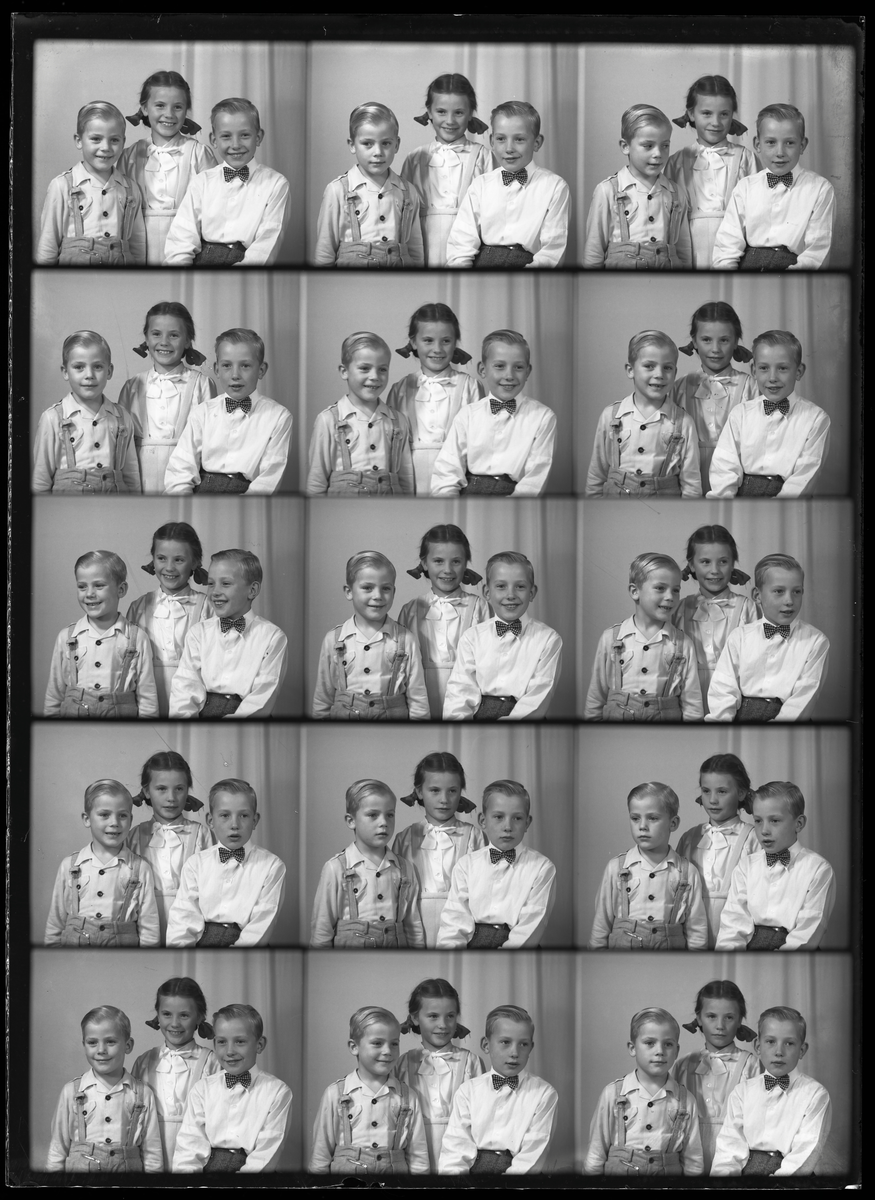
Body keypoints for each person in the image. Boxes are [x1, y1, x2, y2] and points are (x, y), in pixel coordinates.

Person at [163, 328, 292, 495]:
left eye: (245, 366)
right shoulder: (202, 412)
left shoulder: (278, 417)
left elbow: (269, 478)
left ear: (261, 370)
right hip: (200, 491)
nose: (235, 375)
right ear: (217, 370)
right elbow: (181, 467)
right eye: (226, 366)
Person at [163, 97, 290, 265]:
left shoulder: (276, 184)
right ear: (214, 140)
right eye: (226, 136)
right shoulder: (201, 182)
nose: (235, 144)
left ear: (258, 137)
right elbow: (181, 238)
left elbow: (266, 245)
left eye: (245, 135)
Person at [430, 329, 556, 496]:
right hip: (467, 494)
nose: (509, 375)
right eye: (499, 366)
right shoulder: (467, 415)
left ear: (528, 372)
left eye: (518, 367)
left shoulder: (543, 417)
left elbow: (535, 479)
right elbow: (447, 470)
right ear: (483, 370)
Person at [706, 330, 830, 498]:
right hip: (742, 495)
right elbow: (724, 466)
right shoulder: (740, 414)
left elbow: (805, 474)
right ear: (754, 371)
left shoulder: (816, 419)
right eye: (764, 368)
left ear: (799, 371)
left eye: (782, 368)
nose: (772, 377)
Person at [706, 554, 829, 722]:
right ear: (757, 595)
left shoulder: (816, 641)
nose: (789, 600)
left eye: (796, 591)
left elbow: (805, 696)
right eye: (779, 591)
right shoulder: (739, 637)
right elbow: (723, 689)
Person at [446, 100, 569, 267]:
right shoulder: (480, 185)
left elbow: (552, 251)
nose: (509, 148)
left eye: (519, 139)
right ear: (492, 142)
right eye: (501, 139)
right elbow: (461, 243)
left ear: (537, 142)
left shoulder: (554, 187)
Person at [712, 104, 836, 270]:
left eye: (789, 143)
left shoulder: (820, 189)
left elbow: (816, 253)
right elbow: (727, 246)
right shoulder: (745, 187)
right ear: (757, 145)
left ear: (802, 145)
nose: (780, 152)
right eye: (770, 142)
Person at [166, 779, 287, 948]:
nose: (234, 825)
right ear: (210, 821)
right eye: (225, 815)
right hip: (203, 942)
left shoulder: (272, 866)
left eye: (244, 816)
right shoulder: (195, 864)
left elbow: (262, 923)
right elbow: (183, 918)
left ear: (255, 820)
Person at [169, 549, 289, 719]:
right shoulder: (198, 633)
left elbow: (262, 697)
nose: (215, 592)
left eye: (225, 583)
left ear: (252, 590)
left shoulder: (272, 637)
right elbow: (184, 688)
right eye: (211, 584)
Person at [715, 782, 836, 951]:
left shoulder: (818, 869)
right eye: (758, 821)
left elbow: (807, 932)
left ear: (799, 823)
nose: (764, 830)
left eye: (775, 821)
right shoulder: (746, 866)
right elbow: (733, 924)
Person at [436, 780, 556, 949]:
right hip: (473, 944)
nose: (508, 827)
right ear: (483, 820)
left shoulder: (542, 868)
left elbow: (531, 924)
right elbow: (454, 920)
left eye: (517, 818)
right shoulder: (466, 865)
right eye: (499, 817)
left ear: (527, 823)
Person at [711, 1007, 831, 1175]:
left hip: (791, 1175)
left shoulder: (815, 1095)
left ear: (802, 1050)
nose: (779, 1052)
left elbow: (805, 1152)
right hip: (746, 1172)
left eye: (789, 1043)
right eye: (770, 1042)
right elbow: (728, 1149)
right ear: (758, 1046)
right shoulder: (742, 1092)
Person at [443, 552, 562, 721]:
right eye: (501, 586)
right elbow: (460, 691)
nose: (510, 595)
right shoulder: (471, 637)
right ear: (487, 592)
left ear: (532, 592)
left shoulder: (548, 639)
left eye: (520, 586)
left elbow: (539, 695)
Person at [439, 1004, 558, 1174]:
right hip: (473, 1172)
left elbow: (532, 1156)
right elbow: (455, 1149)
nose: (514, 1052)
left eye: (523, 1044)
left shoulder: (544, 1094)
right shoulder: (468, 1091)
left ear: (531, 1048)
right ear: (486, 1045)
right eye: (505, 1042)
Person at [588, 782, 708, 950]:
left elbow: (696, 929)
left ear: (673, 823)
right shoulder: (616, 868)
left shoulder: (687, 873)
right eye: (635, 818)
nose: (642, 826)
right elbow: (602, 922)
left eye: (653, 818)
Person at [173, 1004, 293, 1172]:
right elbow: (188, 1148)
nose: (229, 1051)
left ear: (259, 1045)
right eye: (222, 1042)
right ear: (215, 1044)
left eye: (240, 1042)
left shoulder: (277, 1092)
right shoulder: (202, 1089)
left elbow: (265, 1156)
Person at [309, 1006, 429, 1173]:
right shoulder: (335, 1094)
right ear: (354, 1047)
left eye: (394, 1044)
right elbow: (320, 1154)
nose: (388, 1051)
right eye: (377, 1043)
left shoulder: (408, 1097)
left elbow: (418, 1158)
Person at [584, 1008, 703, 1174]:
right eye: (650, 1043)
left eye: (668, 1044)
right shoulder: (613, 1094)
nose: (660, 1051)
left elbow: (693, 1160)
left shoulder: (686, 1100)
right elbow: (596, 1151)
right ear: (632, 1048)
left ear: (676, 1051)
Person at [585, 553, 702, 722]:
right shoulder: (611, 639)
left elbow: (692, 704)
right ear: (635, 592)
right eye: (660, 588)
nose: (670, 596)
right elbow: (596, 694)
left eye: (675, 590)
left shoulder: (683, 644)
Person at [312, 551, 429, 720]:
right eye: (367, 588)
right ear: (349, 592)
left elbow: (418, 699)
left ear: (394, 592)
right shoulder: (334, 639)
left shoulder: (406, 639)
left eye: (386, 588)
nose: (378, 596)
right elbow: (323, 697)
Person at [310, 779, 426, 948]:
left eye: (390, 815)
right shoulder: (335, 868)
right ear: (351, 821)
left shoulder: (405, 869)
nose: (384, 822)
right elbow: (322, 928)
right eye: (373, 815)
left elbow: (413, 926)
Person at [45, 778, 160, 946]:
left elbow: (149, 929)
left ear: (130, 820)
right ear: (87, 819)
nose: (114, 823)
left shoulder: (140, 868)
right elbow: (55, 922)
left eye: (122, 815)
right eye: (105, 815)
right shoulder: (69, 866)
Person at [585, 330, 701, 497]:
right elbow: (597, 473)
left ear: (675, 373)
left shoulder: (684, 423)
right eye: (649, 366)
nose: (659, 375)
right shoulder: (611, 416)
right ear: (630, 370)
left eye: (667, 368)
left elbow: (692, 485)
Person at [46, 1006, 162, 1172]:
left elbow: (152, 1154)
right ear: (84, 1045)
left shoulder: (143, 1094)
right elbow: (57, 1149)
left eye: (110, 1042)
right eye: (92, 1043)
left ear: (128, 1045)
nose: (101, 1050)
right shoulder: (71, 1092)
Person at [44, 550, 158, 718]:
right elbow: (54, 694)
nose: (89, 593)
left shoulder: (137, 638)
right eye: (82, 587)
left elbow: (148, 698)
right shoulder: (66, 637)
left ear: (121, 590)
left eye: (99, 585)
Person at [117, 302, 216, 492]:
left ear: (187, 341)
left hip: (187, 480)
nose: (164, 342)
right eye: (156, 334)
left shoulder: (202, 384)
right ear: (146, 339)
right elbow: (122, 443)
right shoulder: (133, 386)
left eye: (174, 335)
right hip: (139, 481)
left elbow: (210, 441)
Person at [121, 70, 216, 263]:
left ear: (186, 110)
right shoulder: (130, 156)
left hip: (188, 249)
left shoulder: (198, 154)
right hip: (138, 249)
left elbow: (214, 207)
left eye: (178, 107)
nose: (169, 114)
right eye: (160, 105)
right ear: (145, 108)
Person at [392, 752, 487, 946]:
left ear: (460, 792)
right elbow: (397, 893)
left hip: (461, 926)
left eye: (452, 791)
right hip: (414, 926)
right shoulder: (404, 839)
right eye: (435, 790)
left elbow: (482, 890)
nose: (444, 799)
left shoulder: (473, 836)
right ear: (420, 792)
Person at [385, 303, 480, 493]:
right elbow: (391, 445)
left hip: (457, 480)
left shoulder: (470, 387)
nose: (437, 349)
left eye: (445, 341)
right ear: (414, 342)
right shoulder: (399, 390)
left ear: (455, 342)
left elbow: (478, 441)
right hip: (410, 482)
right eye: (428, 340)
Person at [314, 103, 424, 267]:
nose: (378, 152)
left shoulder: (408, 191)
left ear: (396, 144)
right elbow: (325, 251)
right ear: (352, 145)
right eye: (367, 143)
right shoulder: (337, 190)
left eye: (385, 143)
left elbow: (415, 250)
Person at [397, 524, 490, 718]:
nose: (447, 570)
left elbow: (489, 662)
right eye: (438, 561)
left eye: (456, 561)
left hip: (468, 701)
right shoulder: (410, 610)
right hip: (420, 700)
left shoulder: (479, 608)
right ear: (425, 563)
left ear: (466, 563)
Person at [37, 101, 146, 265]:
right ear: (79, 141)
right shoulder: (62, 186)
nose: (106, 147)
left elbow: (137, 245)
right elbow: (48, 245)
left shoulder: (130, 189)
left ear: (123, 142)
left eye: (114, 140)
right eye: (96, 139)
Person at [400, 73, 492, 265]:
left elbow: (492, 210)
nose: (450, 121)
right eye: (441, 111)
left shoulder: (482, 156)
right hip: (424, 245)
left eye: (458, 113)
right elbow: (404, 211)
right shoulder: (415, 158)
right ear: (429, 112)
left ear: (470, 113)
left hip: (470, 246)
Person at [33, 331, 141, 494]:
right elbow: (40, 482)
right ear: (65, 372)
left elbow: (132, 478)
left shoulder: (122, 418)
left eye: (97, 367)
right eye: (79, 367)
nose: (89, 375)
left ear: (109, 371)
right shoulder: (53, 418)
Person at [583, 105, 691, 269]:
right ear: (625, 146)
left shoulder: (675, 193)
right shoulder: (608, 191)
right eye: (648, 146)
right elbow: (594, 250)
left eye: (665, 145)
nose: (658, 154)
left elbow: (684, 251)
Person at [664, 76, 755, 269]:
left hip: (736, 248)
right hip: (690, 249)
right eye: (706, 113)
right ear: (691, 114)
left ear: (732, 115)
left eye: (724, 114)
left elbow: (757, 209)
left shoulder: (746, 159)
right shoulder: (676, 163)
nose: (716, 122)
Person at [308, 332, 414, 495]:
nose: (375, 376)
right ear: (344, 371)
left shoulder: (398, 421)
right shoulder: (328, 420)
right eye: (365, 368)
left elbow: (406, 479)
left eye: (382, 369)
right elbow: (316, 481)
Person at [396, 978, 485, 1171]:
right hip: (414, 1154)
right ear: (415, 1018)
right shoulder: (403, 1064)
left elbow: (482, 1115)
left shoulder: (471, 1062)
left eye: (450, 1016)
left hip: (461, 1155)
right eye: (433, 1016)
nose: (443, 1024)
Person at [126, 522, 213, 716]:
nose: (169, 567)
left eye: (179, 560)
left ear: (195, 562)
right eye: (162, 558)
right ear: (153, 560)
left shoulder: (207, 607)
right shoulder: (139, 607)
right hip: (146, 701)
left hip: (193, 703)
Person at [131, 978, 220, 1169]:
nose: (174, 1023)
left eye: (184, 1015)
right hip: (149, 1159)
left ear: (199, 1017)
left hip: (197, 1159)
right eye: (167, 1014)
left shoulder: (212, 1063)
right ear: (158, 1015)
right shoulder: (144, 1062)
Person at [669, 302, 757, 492]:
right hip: (689, 473)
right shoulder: (679, 388)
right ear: (694, 341)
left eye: (724, 340)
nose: (715, 349)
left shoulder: (751, 387)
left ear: (736, 341)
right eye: (707, 340)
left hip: (737, 475)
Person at [674, 980, 759, 1172]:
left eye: (729, 1017)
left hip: (735, 1159)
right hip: (689, 1157)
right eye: (711, 1016)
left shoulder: (751, 1065)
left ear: (740, 1020)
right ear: (699, 1018)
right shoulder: (683, 1065)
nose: (720, 1025)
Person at [126, 750, 212, 940]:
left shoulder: (201, 834)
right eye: (162, 789)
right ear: (147, 791)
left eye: (179, 789)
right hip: (144, 926)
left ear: (187, 790)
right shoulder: (134, 836)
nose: (171, 797)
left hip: (191, 927)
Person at [672, 524, 757, 712]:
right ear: (692, 565)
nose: (715, 570)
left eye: (723, 561)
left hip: (734, 697)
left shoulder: (746, 608)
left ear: (733, 563)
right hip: (688, 697)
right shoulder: (679, 609)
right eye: (705, 562)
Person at [676, 753, 758, 947]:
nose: (712, 800)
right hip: (691, 935)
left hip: (738, 935)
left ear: (741, 793)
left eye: (722, 791)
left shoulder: (753, 839)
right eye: (706, 791)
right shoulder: (689, 838)